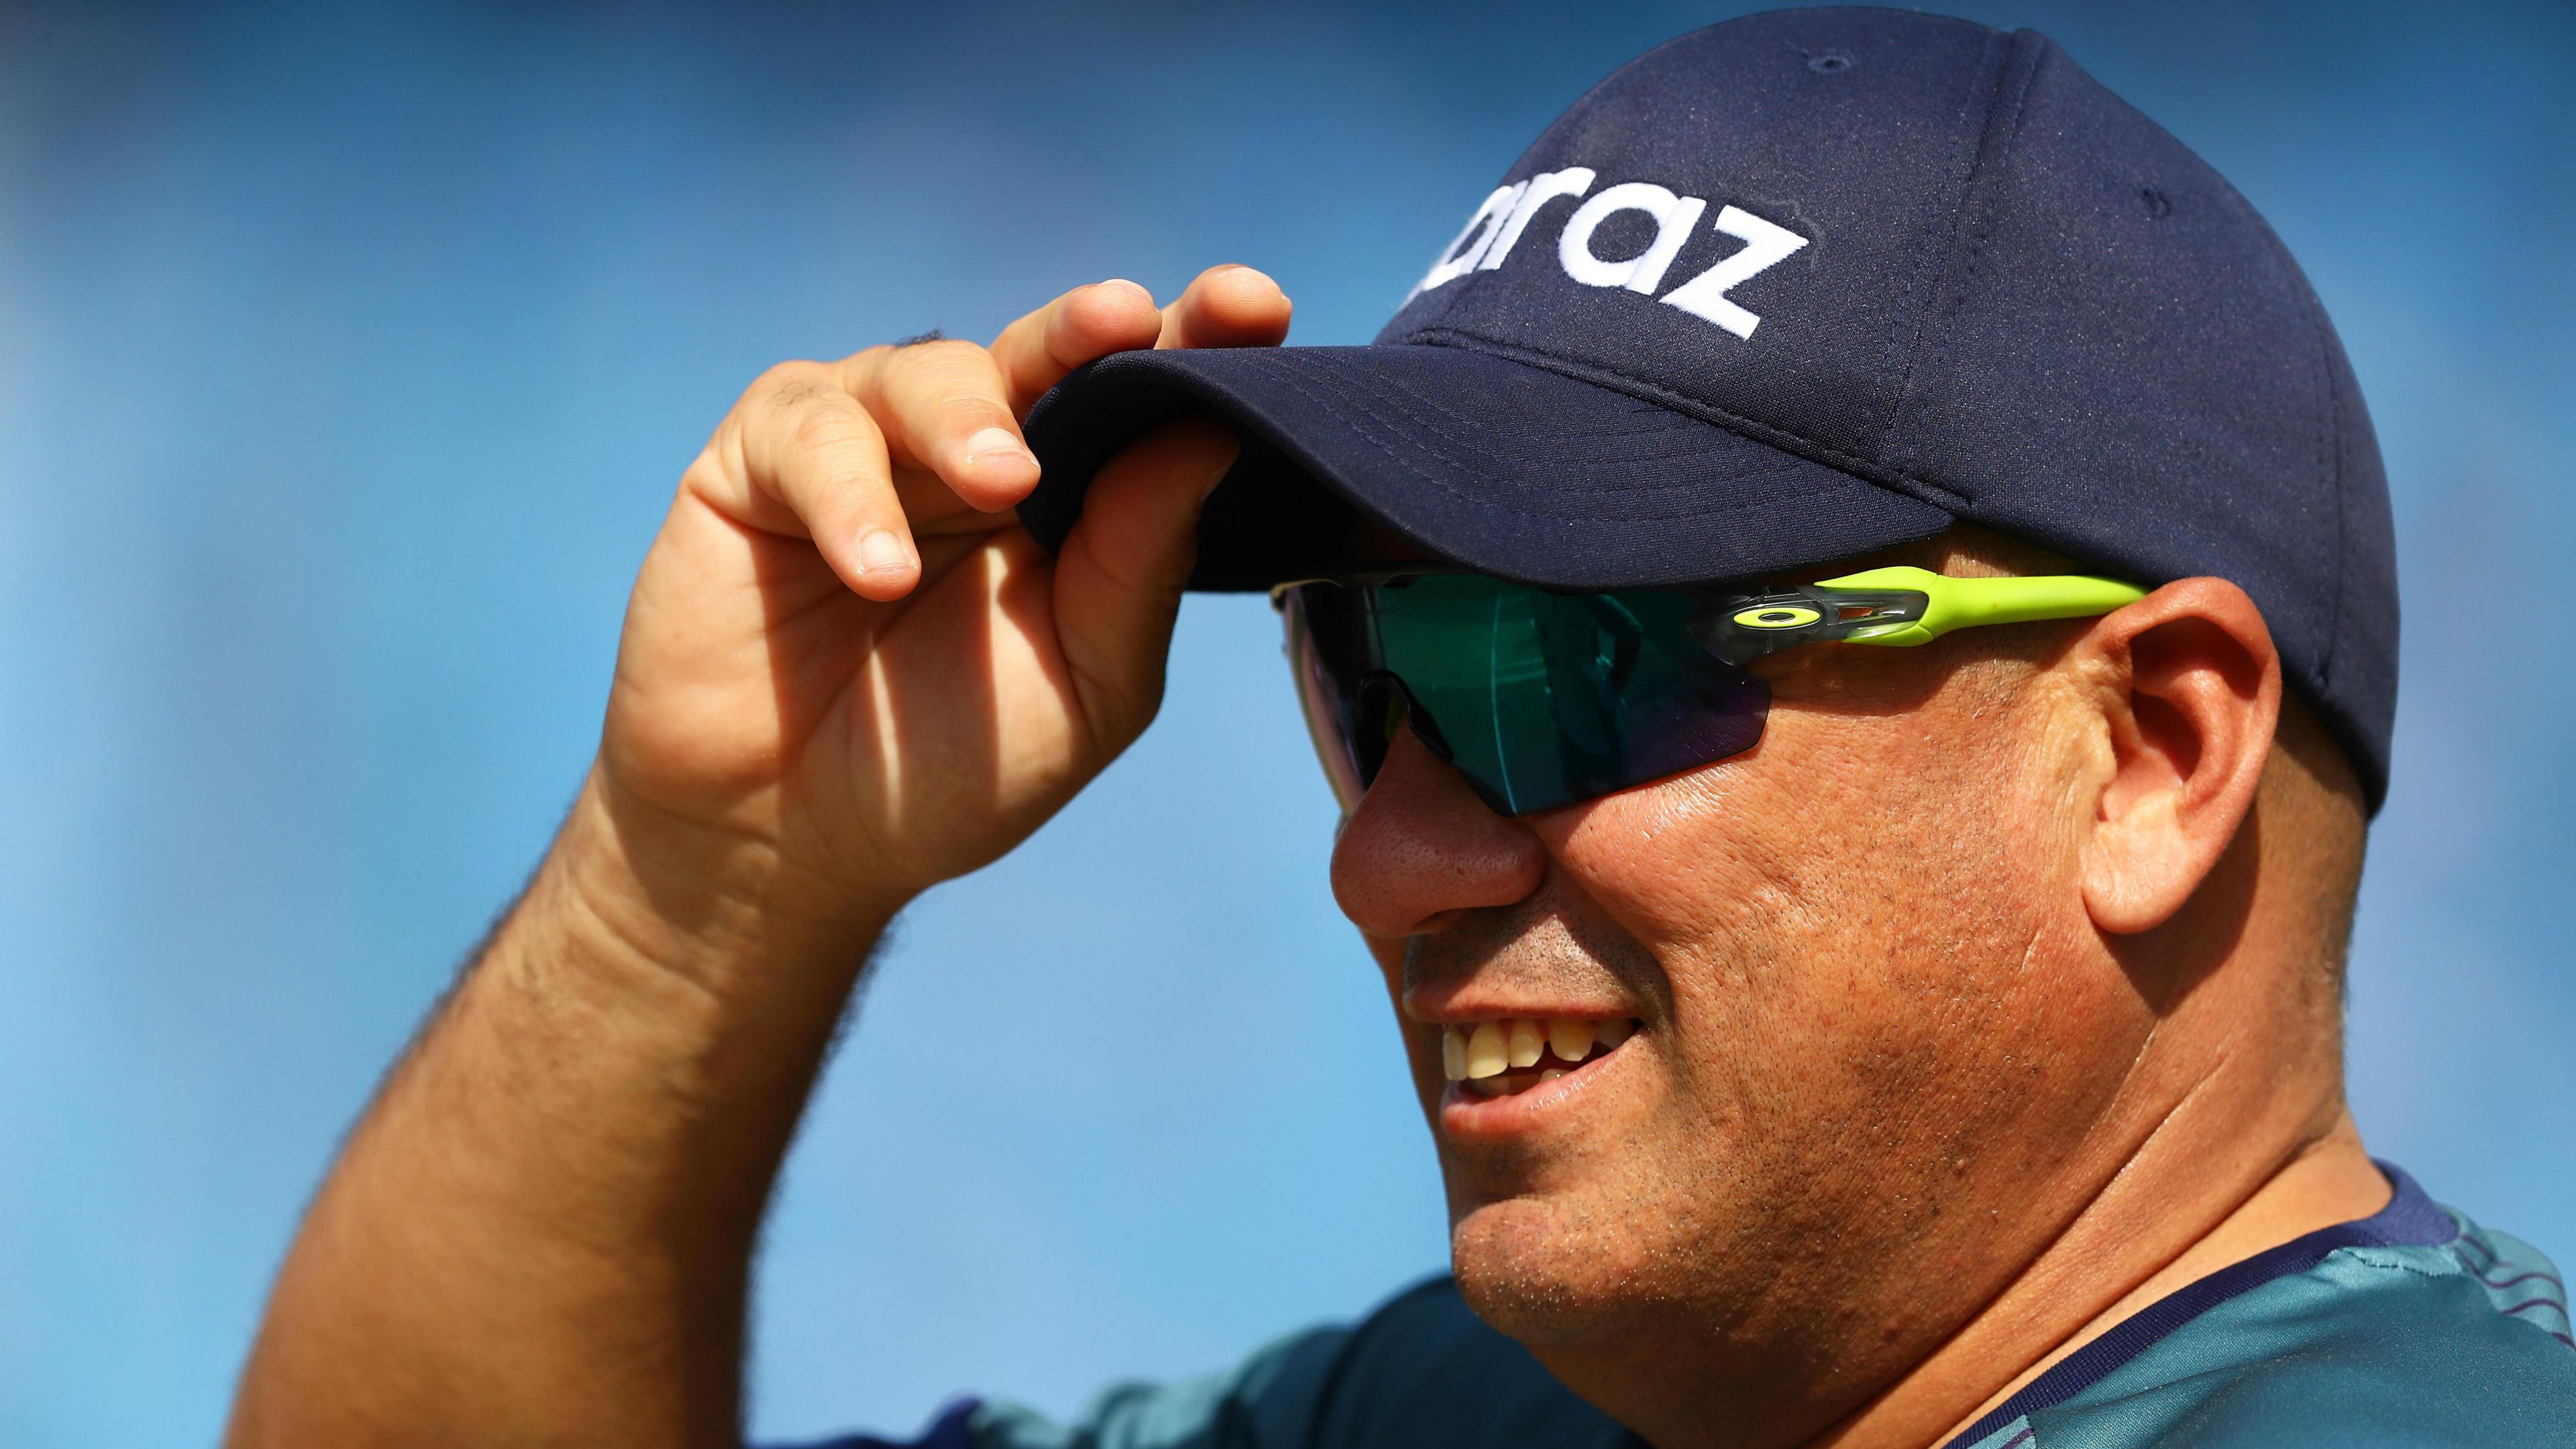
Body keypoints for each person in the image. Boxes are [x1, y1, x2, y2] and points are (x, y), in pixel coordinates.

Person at [223, 9, 2575, 1448]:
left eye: (1564, 669)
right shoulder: (1488, 1415)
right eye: (1373, 674)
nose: (1390, 860)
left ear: (2152, 750)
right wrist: (692, 901)